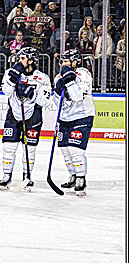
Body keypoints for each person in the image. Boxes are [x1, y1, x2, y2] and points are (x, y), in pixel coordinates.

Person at [0, 47, 52, 190]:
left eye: (22, 58)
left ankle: (27, 177)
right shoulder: (10, 73)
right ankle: (6, 175)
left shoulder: (43, 78)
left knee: (30, 148)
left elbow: (45, 100)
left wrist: (31, 94)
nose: (19, 61)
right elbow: (6, 92)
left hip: (33, 116)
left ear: (32, 60)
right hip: (14, 115)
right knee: (8, 147)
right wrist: (12, 79)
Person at [52, 48, 95, 196]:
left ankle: (81, 178)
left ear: (75, 62)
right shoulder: (58, 77)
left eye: (66, 62)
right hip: (64, 118)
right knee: (65, 150)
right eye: (61, 62)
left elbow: (77, 96)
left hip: (82, 116)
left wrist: (69, 81)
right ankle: (73, 175)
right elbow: (55, 103)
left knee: (75, 150)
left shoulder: (83, 74)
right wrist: (57, 91)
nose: (63, 65)